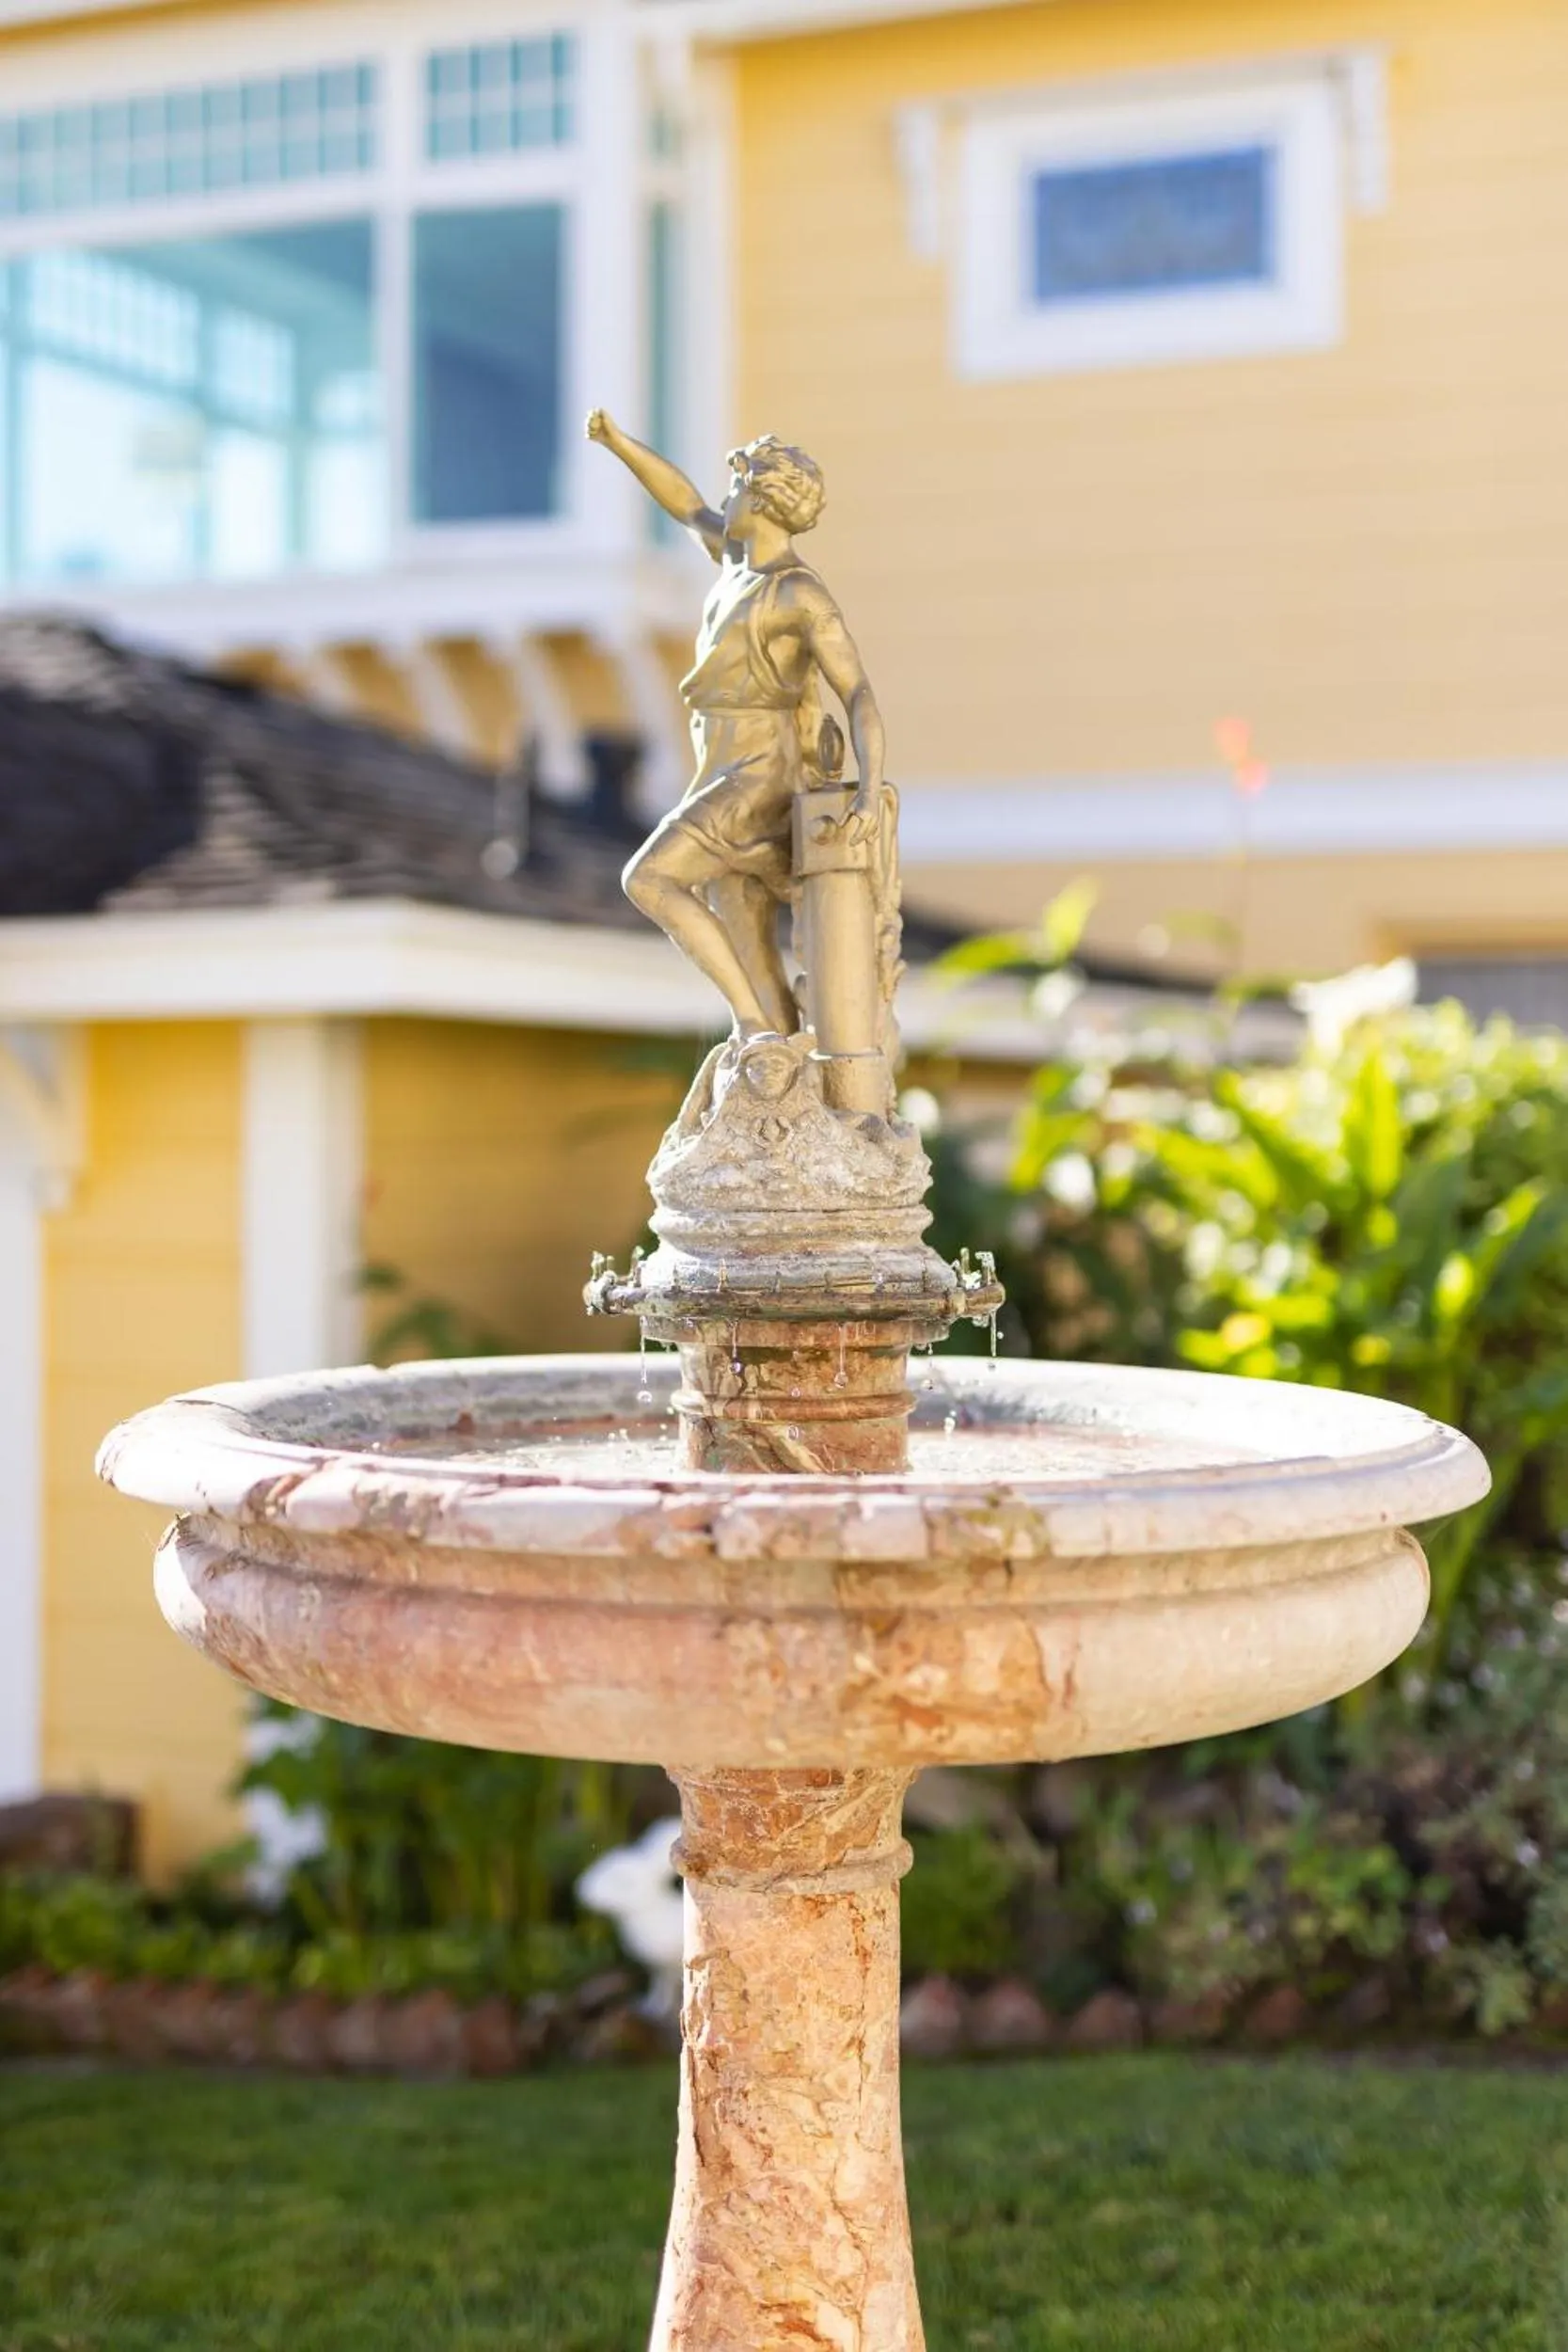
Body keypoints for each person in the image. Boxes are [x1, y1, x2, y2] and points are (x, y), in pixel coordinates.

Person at [586, 409, 886, 1041]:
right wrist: (616, 444)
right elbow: (685, 502)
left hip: (759, 773)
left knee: (649, 878)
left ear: (762, 498)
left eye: (737, 487)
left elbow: (855, 688)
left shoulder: (795, 593)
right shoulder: (734, 564)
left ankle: (751, 1023)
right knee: (747, 940)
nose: (725, 498)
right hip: (715, 762)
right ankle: (764, 1049)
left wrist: (867, 787)